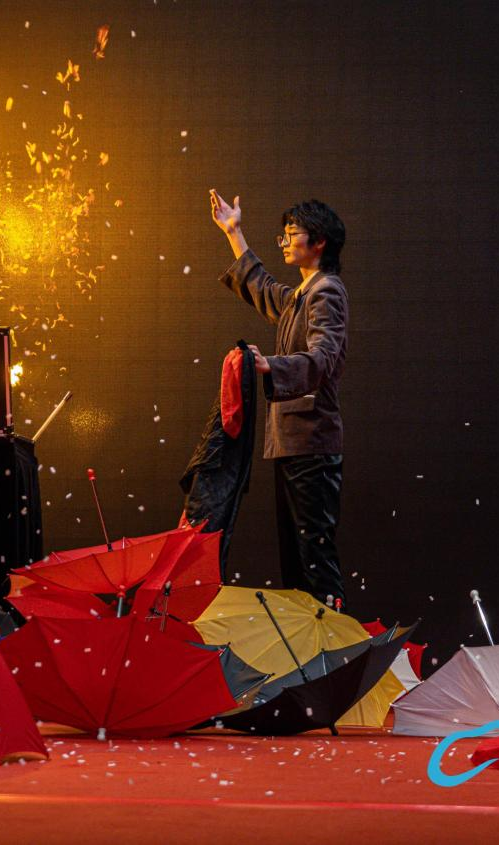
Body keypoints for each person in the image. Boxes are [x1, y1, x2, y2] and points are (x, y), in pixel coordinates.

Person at [209, 189, 349, 607]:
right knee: (297, 563)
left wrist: (269, 365)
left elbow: (323, 359)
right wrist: (234, 233)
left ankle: (334, 641)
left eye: (292, 233)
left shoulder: (327, 291)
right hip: (293, 444)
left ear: (318, 241)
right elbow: (263, 288)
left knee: (314, 562)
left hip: (312, 445)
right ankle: (310, 641)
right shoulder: (303, 294)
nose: (285, 241)